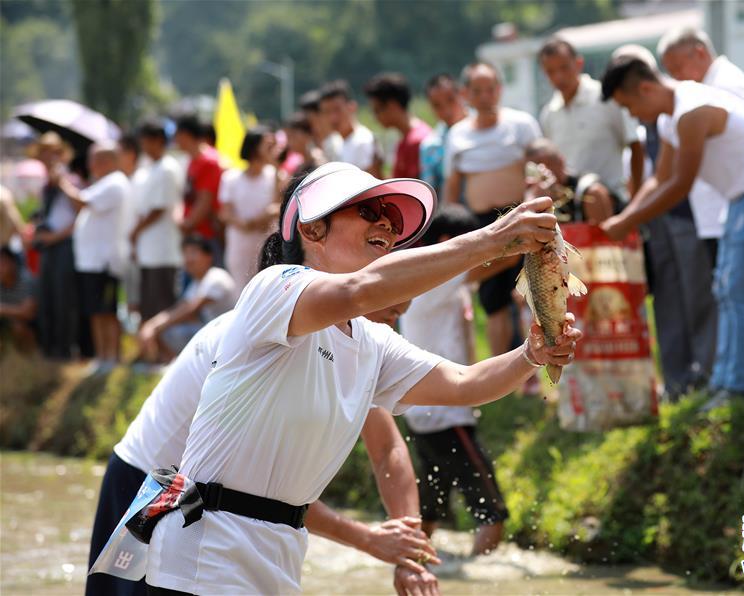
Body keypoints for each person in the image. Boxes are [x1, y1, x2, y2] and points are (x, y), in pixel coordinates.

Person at [143, 162, 580, 595]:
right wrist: (493, 239)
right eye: (369, 213)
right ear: (313, 230)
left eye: (392, 220)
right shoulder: (273, 287)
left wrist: (530, 355)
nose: (388, 227)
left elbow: (466, 383)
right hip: (207, 549)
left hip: (279, 551)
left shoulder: (370, 340)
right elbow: (361, 290)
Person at [88, 309, 440, 596]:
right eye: (393, 290)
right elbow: (266, 495)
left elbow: (387, 448)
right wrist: (369, 540)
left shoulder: (355, 343)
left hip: (216, 497)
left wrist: (410, 553)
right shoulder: (271, 336)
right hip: (148, 482)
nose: (402, 309)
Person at [599, 56, 744, 407]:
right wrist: (628, 214)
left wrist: (628, 222)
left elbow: (680, 184)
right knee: (725, 288)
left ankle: (738, 389)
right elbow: (659, 178)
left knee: (738, 291)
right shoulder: (672, 114)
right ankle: (724, 382)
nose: (632, 115)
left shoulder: (690, 111)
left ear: (646, 88)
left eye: (629, 105)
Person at [656, 27, 744, 396]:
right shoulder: (700, 89)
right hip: (715, 212)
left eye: (678, 65)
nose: (676, 75)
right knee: (728, 296)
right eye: (670, 69)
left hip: (740, 205)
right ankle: (735, 380)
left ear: (699, 53)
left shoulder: (728, 85)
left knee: (743, 295)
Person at [400, 204, 510, 556]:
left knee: (429, 512)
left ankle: (413, 565)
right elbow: (498, 262)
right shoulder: (434, 278)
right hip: (447, 414)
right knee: (493, 514)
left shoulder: (430, 277)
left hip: (425, 414)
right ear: (448, 241)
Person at [443, 62, 542, 356]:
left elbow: (538, 169)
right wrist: (453, 232)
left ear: (499, 90)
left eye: (491, 89)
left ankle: (541, 372)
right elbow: (453, 185)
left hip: (524, 217)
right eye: (478, 91)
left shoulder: (521, 124)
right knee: (493, 299)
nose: (485, 96)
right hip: (482, 225)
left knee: (533, 293)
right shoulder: (458, 134)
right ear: (465, 94)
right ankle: (500, 374)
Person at [538, 37, 643, 202]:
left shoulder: (607, 99)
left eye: (564, 68)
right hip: (573, 212)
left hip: (613, 204)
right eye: (550, 71)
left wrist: (636, 201)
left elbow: (635, 146)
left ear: (579, 63)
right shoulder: (549, 114)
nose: (559, 77)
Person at [57, 143, 129, 368]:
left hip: (104, 261)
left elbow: (81, 201)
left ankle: (112, 357)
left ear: (107, 161)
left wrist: (62, 182)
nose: (90, 165)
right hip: (91, 261)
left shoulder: (115, 182)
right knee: (95, 312)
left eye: (94, 159)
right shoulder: (104, 183)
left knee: (106, 311)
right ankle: (101, 357)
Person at [138, 235, 236, 361]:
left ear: (209, 257)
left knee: (171, 331)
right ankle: (172, 363)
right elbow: (179, 308)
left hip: (228, 337)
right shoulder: (196, 284)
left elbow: (190, 309)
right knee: (168, 329)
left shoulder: (217, 277)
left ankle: (175, 364)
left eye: (193, 252)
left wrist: (154, 327)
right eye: (185, 253)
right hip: (217, 335)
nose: (188, 259)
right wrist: (151, 325)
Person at [30, 132, 79, 358]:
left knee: (63, 299)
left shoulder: (71, 180)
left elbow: (79, 216)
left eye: (52, 152)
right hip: (48, 247)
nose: (48, 157)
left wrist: (56, 237)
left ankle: (64, 349)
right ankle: (48, 348)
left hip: (64, 245)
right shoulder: (45, 186)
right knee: (47, 296)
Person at [131, 120, 184, 326]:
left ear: (159, 141)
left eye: (147, 142)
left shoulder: (167, 168)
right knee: (149, 300)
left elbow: (159, 208)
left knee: (161, 300)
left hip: (163, 247)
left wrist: (136, 231)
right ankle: (151, 350)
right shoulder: (151, 168)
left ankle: (162, 350)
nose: (144, 147)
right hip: (149, 247)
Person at [219, 127, 279, 289]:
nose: (273, 149)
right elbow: (225, 213)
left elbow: (277, 206)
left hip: (266, 243)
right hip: (240, 244)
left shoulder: (276, 175)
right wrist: (246, 224)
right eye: (267, 145)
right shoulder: (230, 178)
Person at [525, 138, 621, 224]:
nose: (544, 172)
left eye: (549, 164)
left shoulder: (590, 193)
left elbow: (605, 239)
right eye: (536, 168)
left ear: (561, 161)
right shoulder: (533, 196)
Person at [364, 72, 432, 179]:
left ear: (392, 106)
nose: (375, 117)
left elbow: (410, 191)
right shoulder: (404, 141)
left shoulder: (416, 141)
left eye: (377, 111)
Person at [173, 116, 223, 256]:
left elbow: (205, 200)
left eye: (176, 135)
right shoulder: (192, 160)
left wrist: (187, 224)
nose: (175, 140)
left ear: (185, 135)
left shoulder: (209, 161)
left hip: (207, 237)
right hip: (194, 234)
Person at [319, 80, 382, 176]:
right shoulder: (336, 141)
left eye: (337, 109)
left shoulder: (363, 141)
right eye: (327, 112)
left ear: (352, 107)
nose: (332, 118)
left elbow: (370, 186)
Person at [419, 74, 468, 198]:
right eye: (437, 105)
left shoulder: (484, 128)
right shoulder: (430, 146)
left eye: (450, 100)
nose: (446, 110)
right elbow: (430, 194)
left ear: (462, 95)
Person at [117, 134, 146, 321]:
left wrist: (135, 244)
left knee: (137, 302)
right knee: (130, 301)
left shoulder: (141, 179)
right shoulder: (125, 180)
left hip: (138, 251)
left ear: (131, 154)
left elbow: (142, 214)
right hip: (128, 251)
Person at [0, 245, 37, 352]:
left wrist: (2, 309)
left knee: (18, 327)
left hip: (33, 325)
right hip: (8, 322)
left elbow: (29, 313)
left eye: (2, 263)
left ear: (13, 263)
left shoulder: (27, 280)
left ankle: (28, 353)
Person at [299, 89, 343, 162]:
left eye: (310, 119)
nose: (307, 124)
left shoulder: (336, 143)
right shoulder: (312, 144)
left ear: (320, 116)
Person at [284, 112, 327, 182]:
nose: (289, 142)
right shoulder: (301, 165)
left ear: (306, 134)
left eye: (292, 136)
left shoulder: (319, 163)